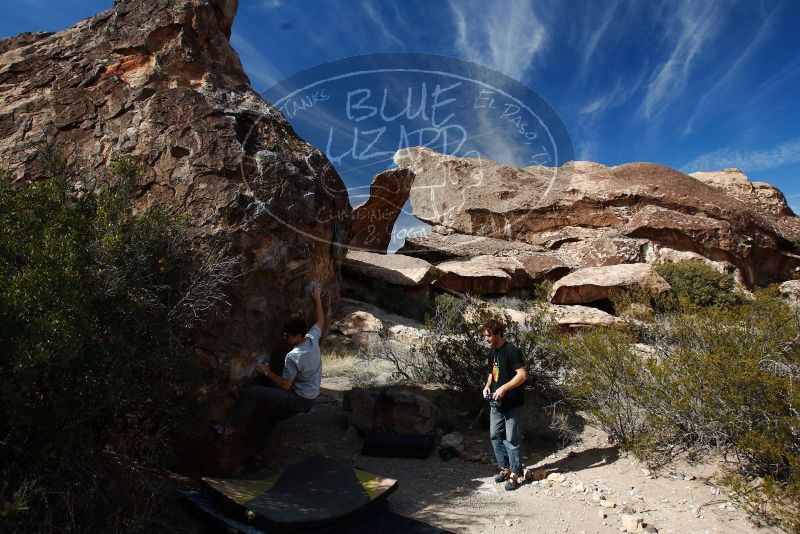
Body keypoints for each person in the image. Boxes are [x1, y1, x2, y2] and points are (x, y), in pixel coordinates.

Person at [213, 286, 324, 437]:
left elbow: (285, 385)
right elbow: (321, 321)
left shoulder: (294, 356)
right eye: (284, 335)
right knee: (271, 419)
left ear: (298, 336)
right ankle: (259, 456)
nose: (285, 338)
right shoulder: (312, 338)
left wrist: (267, 372)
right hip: (311, 397)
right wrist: (317, 299)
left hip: (299, 398)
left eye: (288, 336)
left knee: (252, 393)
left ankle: (230, 429)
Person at [482, 319, 528, 491]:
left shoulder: (512, 351)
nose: (486, 339)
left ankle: (515, 474)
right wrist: (487, 387)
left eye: (488, 335)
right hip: (496, 403)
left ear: (497, 333)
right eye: (485, 336)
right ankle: (505, 468)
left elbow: (522, 375)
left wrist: (504, 387)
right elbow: (491, 374)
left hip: (512, 403)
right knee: (495, 436)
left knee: (512, 440)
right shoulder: (492, 352)